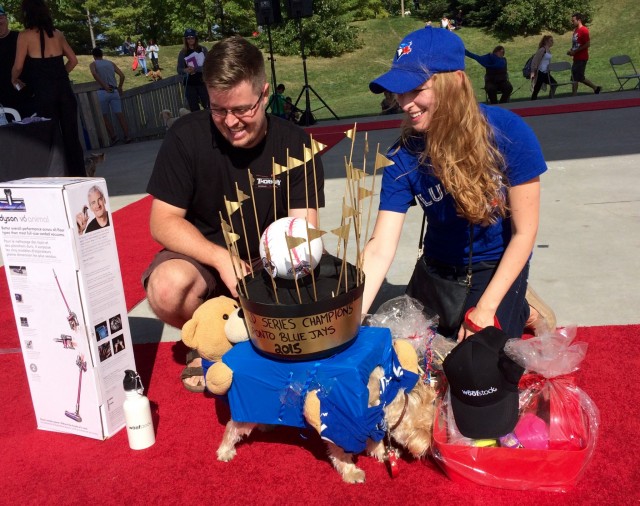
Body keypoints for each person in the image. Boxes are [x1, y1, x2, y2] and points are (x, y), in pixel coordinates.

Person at [143, 35, 325, 392]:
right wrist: (219, 257)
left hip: (269, 265)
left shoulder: (296, 144)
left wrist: (276, 275)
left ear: (265, 93)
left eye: (243, 109)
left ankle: (245, 336)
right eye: (218, 109)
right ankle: (206, 338)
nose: (231, 121)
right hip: (205, 259)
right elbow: (161, 221)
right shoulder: (185, 137)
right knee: (166, 288)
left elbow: (303, 232)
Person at [364, 27, 555, 342]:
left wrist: (486, 309)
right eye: (399, 92)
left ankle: (521, 308)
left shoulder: (508, 133)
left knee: (475, 371)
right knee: (415, 362)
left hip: (496, 261)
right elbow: (379, 249)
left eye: (416, 89)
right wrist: (348, 324)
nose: (404, 103)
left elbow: (525, 233)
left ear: (455, 83)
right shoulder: (402, 155)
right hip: (439, 272)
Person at [11, 0, 86, 176]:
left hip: (44, 92)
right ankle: (80, 176)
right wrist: (60, 74)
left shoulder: (25, 36)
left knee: (51, 137)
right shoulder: (57, 34)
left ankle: (59, 178)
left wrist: (13, 78)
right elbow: (73, 60)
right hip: (63, 90)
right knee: (71, 137)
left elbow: (18, 66)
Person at [89, 47, 131, 145]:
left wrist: (104, 86)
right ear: (102, 54)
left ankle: (113, 136)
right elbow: (122, 75)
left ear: (94, 56)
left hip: (102, 91)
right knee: (120, 114)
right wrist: (120, 87)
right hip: (114, 91)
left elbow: (94, 74)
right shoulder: (110, 63)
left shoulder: (93, 64)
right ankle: (127, 136)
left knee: (103, 116)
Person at [0, 5, 33, 117]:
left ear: (6, 18)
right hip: (3, 105)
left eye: (0, 18)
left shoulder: (20, 37)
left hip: (26, 98)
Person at [567, 12, 601, 96]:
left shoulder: (584, 30)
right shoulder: (576, 31)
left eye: (573, 20)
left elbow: (587, 44)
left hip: (582, 57)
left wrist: (575, 51)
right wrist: (571, 51)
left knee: (577, 77)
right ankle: (595, 88)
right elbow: (576, 44)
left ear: (579, 20)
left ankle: (575, 95)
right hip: (576, 57)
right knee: (576, 77)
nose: (572, 22)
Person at [177, 28, 208, 111]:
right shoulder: (183, 52)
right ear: (186, 40)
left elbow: (208, 66)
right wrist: (185, 70)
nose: (190, 40)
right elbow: (179, 69)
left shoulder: (203, 49)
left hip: (203, 83)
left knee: (208, 106)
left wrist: (196, 69)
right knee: (194, 109)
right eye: (188, 38)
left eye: (192, 37)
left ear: (196, 38)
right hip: (190, 85)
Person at [530, 35, 558, 100]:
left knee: (554, 84)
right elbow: (535, 60)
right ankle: (533, 101)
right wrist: (533, 71)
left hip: (546, 72)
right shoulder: (542, 50)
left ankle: (551, 98)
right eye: (551, 40)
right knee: (537, 87)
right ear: (546, 41)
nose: (552, 42)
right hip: (540, 71)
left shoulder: (549, 50)